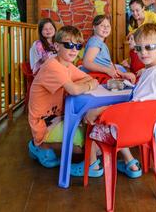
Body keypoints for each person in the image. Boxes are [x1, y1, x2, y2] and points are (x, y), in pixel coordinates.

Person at [85, 23, 156, 178]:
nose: (143, 52)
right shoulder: (155, 72)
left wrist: (98, 111)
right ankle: (130, 162)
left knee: (89, 123)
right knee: (115, 119)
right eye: (138, 48)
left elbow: (133, 108)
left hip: (130, 131)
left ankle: (92, 166)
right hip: (143, 129)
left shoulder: (153, 75)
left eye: (149, 47)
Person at [27, 25, 103, 177]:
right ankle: (40, 145)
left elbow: (87, 79)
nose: (74, 49)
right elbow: (74, 89)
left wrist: (86, 84)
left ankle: (45, 146)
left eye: (78, 45)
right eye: (68, 45)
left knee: (97, 144)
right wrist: (88, 85)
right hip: (44, 123)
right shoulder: (52, 65)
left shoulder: (67, 65)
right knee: (88, 144)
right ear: (56, 46)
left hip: (60, 116)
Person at [82, 15, 136, 83]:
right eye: (102, 25)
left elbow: (109, 65)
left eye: (108, 26)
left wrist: (123, 74)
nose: (105, 28)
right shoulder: (95, 41)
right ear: (94, 27)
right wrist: (107, 70)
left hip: (103, 76)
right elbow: (86, 63)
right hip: (97, 77)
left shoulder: (102, 44)